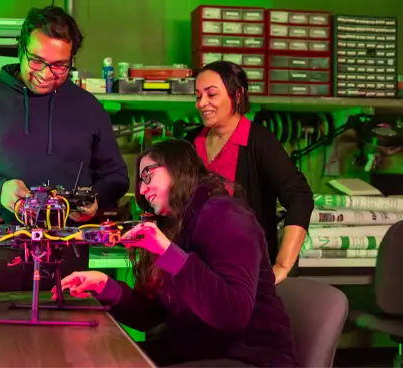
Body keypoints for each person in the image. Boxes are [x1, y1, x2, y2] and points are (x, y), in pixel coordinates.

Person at [0, 5, 129, 292]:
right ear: (20, 48)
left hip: (65, 260)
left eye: (60, 65)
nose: (47, 74)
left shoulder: (88, 108)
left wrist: (94, 201)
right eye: (37, 60)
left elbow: (116, 178)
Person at [53, 140, 298, 368]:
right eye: (139, 180)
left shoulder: (226, 215)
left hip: (249, 357)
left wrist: (166, 251)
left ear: (178, 168)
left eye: (147, 175)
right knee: (102, 357)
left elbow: (232, 315)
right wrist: (105, 285)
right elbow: (151, 315)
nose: (142, 188)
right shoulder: (175, 226)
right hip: (194, 350)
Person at [183, 61, 314, 284]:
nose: (202, 103)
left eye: (211, 94)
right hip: (194, 268)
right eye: (198, 96)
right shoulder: (190, 142)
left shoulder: (259, 141)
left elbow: (299, 195)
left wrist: (282, 265)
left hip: (244, 274)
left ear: (238, 95)